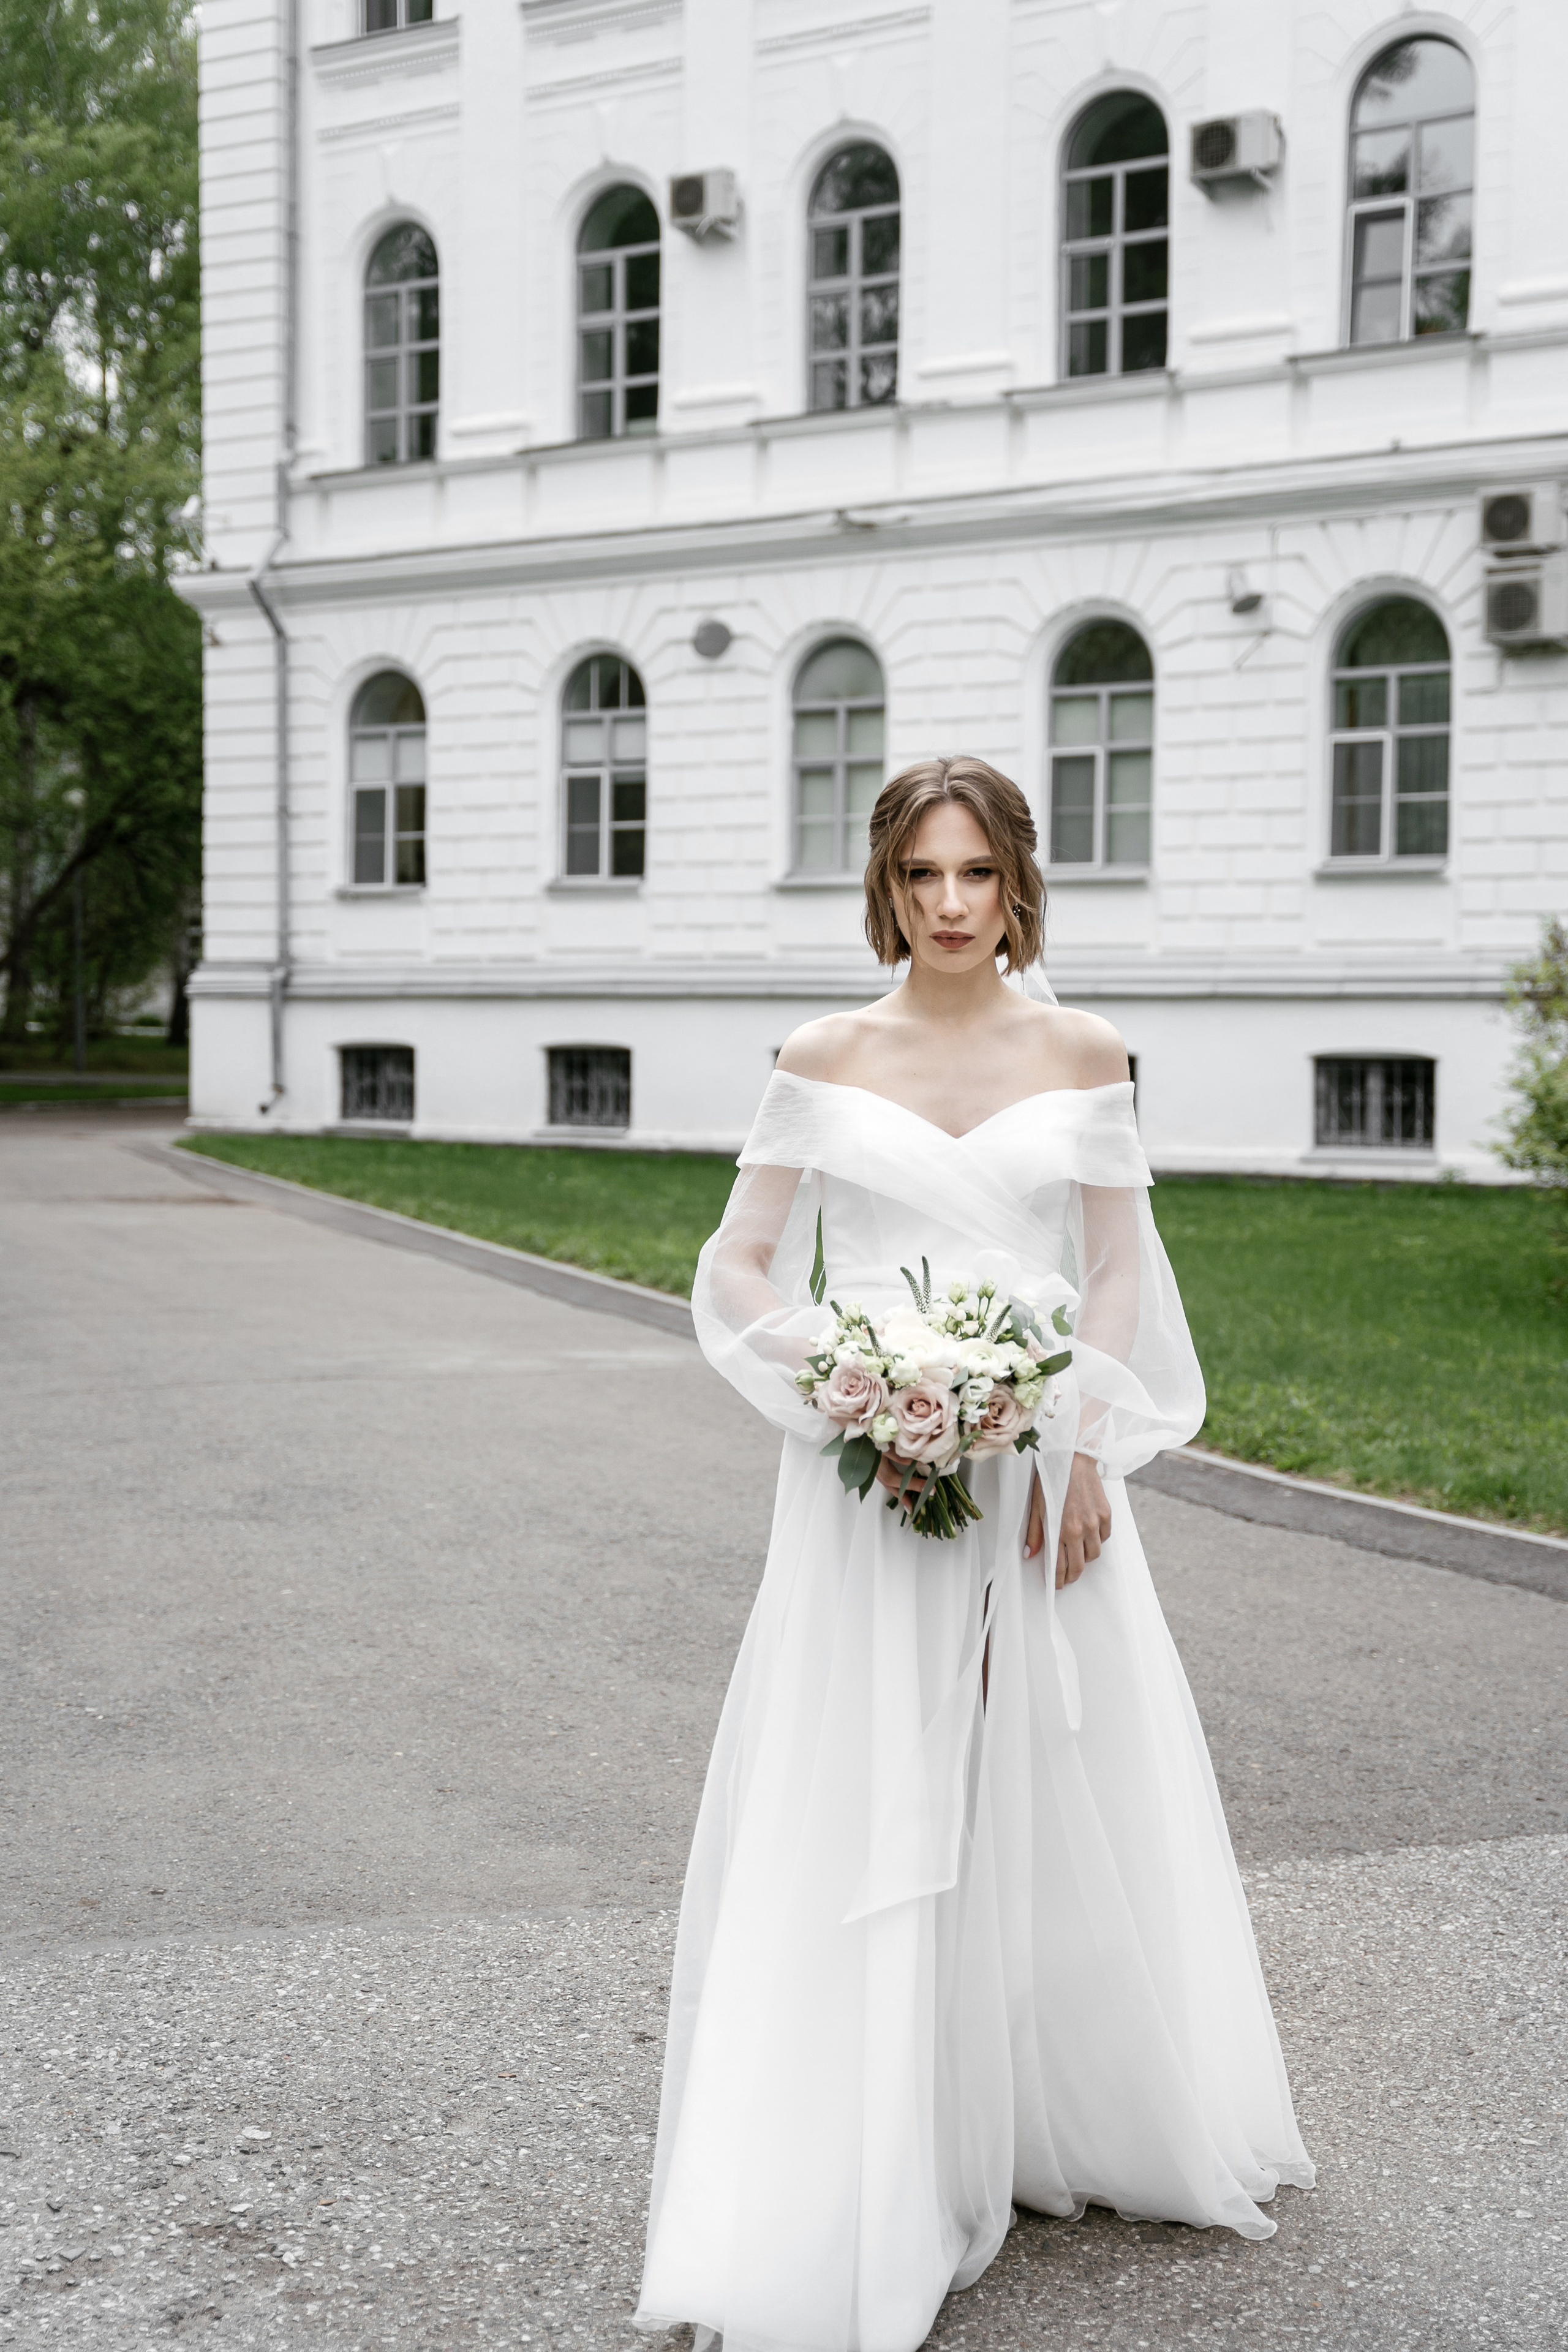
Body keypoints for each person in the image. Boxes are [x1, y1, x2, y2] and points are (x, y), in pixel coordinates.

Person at [635, 756, 1313, 2352]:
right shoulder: (822, 1054)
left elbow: (1116, 1275)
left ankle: (1050, 2109)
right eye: (921, 878)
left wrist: (1076, 1437)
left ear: (1019, 886)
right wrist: (853, 1383)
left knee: (1051, 1778)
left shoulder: (1083, 1052)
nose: (950, 908)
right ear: (884, 887)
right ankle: (872, 2145)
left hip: (1038, 1479)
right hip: (871, 1482)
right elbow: (734, 1267)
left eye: (977, 878)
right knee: (875, 1789)